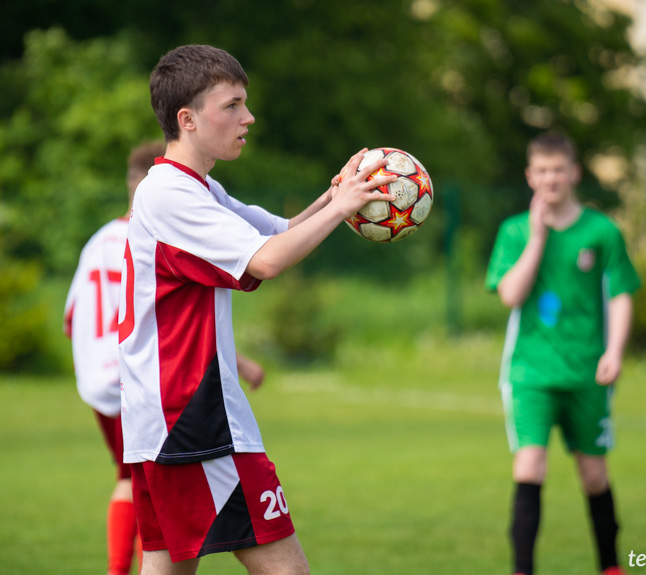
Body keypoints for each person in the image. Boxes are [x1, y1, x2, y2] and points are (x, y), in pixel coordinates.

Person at [117, 44, 397, 575]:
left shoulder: (195, 188)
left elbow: (281, 232)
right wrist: (341, 208)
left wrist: (337, 193)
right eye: (233, 105)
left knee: (168, 566)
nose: (248, 117)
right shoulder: (170, 196)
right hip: (192, 419)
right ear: (188, 119)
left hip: (166, 419)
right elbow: (266, 261)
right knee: (287, 568)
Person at [64, 140, 269, 575]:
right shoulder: (172, 220)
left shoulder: (98, 241)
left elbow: (71, 318)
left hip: (107, 380)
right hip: (168, 387)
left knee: (144, 507)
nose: (246, 117)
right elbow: (177, 315)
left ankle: (119, 568)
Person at [485, 132, 640, 575]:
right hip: (529, 372)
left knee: (594, 474)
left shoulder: (602, 231)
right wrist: (537, 237)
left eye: (559, 169)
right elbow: (511, 294)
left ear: (574, 172)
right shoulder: (515, 230)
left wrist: (615, 350)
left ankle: (610, 566)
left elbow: (621, 294)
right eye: (542, 170)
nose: (551, 178)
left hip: (588, 371)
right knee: (530, 464)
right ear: (530, 176)